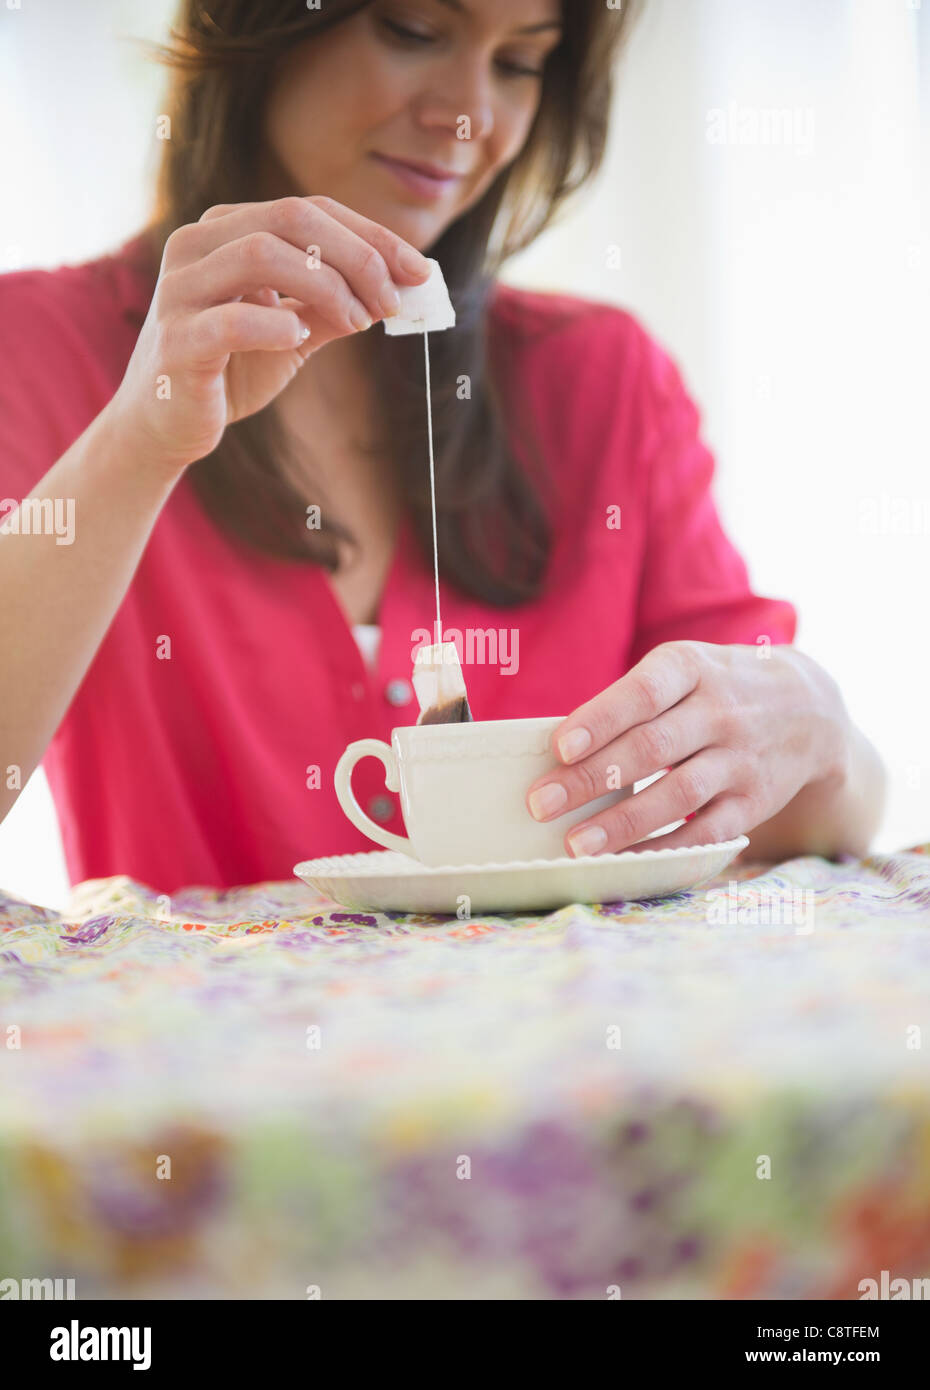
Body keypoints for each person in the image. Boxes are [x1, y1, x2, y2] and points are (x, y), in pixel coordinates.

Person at [0, 0, 885, 895]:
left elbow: (807, 817)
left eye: (520, 63)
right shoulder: (40, 349)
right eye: (414, 31)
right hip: (185, 1035)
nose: (471, 117)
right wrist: (139, 443)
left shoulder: (602, 380)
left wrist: (823, 734)